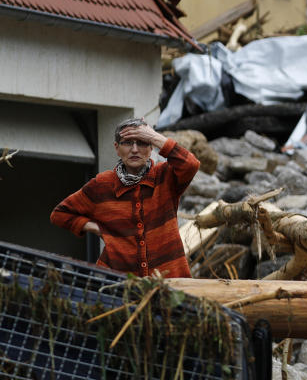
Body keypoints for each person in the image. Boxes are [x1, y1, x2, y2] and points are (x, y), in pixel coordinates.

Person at [51, 118, 199, 278]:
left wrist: (154, 136)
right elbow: (60, 214)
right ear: (117, 148)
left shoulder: (165, 177)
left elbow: (190, 164)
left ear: (151, 147)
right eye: (127, 143)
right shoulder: (102, 185)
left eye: (142, 142)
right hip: (119, 287)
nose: (134, 150)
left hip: (171, 282)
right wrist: (96, 228)